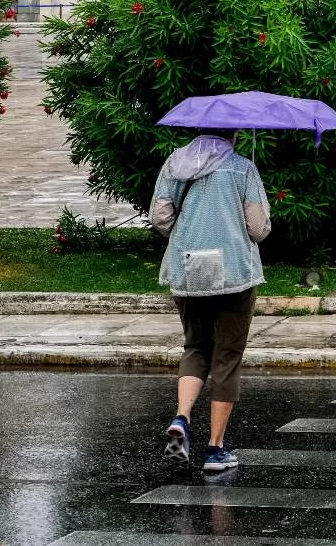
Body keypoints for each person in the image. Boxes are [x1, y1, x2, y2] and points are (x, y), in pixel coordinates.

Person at [149, 129, 271, 472]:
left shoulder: (174, 164)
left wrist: (187, 233)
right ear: (233, 134)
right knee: (227, 357)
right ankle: (215, 449)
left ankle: (182, 417)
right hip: (234, 273)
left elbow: (160, 217)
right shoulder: (242, 168)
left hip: (187, 269)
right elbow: (257, 228)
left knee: (196, 347)